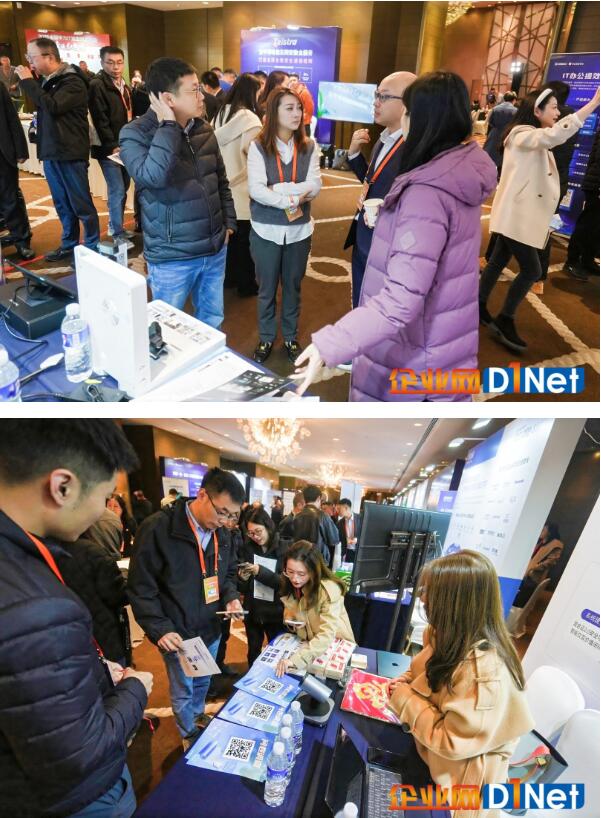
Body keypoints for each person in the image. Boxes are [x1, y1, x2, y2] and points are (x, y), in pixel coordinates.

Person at [295, 72, 497, 402]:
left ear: (422, 118)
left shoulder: (427, 191)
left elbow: (401, 299)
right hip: (443, 339)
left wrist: (332, 343)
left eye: (406, 110)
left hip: (414, 354)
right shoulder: (458, 171)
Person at [0, 420, 152, 818]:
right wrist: (135, 688)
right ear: (63, 487)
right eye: (106, 497)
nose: (105, 510)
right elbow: (80, 751)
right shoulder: (37, 608)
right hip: (73, 799)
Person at [387, 551, 534, 817]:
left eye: (429, 592)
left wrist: (405, 698)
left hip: (457, 792)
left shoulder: (484, 673)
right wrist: (406, 683)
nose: (423, 598)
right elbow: (422, 671)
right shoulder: (445, 634)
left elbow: (450, 741)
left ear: (453, 602)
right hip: (429, 759)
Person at [128, 468, 245, 749]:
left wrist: (230, 597)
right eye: (222, 512)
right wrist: (159, 629)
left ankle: (198, 715)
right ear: (202, 495)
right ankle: (188, 733)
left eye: (232, 516)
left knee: (204, 680)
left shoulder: (222, 534)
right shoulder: (158, 529)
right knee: (183, 688)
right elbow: (141, 588)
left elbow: (228, 573)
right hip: (178, 633)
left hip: (211, 627)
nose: (226, 521)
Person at [479, 86, 600, 352]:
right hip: (518, 217)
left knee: (497, 261)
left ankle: (479, 305)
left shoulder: (529, 136)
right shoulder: (523, 134)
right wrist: (593, 104)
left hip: (518, 216)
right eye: (554, 107)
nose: (558, 112)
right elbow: (555, 135)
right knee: (532, 271)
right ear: (537, 110)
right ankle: (505, 319)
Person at [120, 57, 236, 329]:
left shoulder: (203, 128)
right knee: (166, 328)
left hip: (214, 247)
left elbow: (220, 181)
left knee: (212, 321)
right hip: (172, 255)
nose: (202, 96)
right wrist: (169, 126)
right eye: (194, 90)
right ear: (168, 99)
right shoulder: (134, 134)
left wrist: (229, 224)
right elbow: (153, 177)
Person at [247, 86, 322, 363]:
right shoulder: (258, 146)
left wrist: (278, 189)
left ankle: (290, 336)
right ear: (273, 112)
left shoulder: (309, 146)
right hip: (265, 230)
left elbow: (315, 185)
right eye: (289, 108)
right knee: (266, 289)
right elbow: (256, 190)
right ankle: (267, 337)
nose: (297, 113)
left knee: (293, 287)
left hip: (299, 231)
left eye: (299, 108)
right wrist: (293, 197)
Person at [15, 37, 100, 262]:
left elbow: (52, 106)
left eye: (32, 57)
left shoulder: (73, 82)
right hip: (52, 152)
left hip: (70, 152)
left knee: (81, 203)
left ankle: (92, 247)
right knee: (62, 203)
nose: (29, 62)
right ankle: (69, 243)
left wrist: (27, 81)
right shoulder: (51, 80)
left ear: (49, 57)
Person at [344, 71, 416, 308]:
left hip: (384, 242)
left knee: (376, 305)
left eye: (384, 97)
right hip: (365, 233)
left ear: (408, 103)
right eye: (376, 95)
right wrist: (354, 155)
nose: (376, 102)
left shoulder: (413, 149)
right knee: (360, 298)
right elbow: (373, 182)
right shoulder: (385, 138)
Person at [212, 72, 262, 296]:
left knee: (229, 238)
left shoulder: (221, 113)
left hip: (221, 186)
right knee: (245, 241)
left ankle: (230, 278)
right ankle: (246, 284)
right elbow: (255, 157)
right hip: (242, 187)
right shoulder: (250, 120)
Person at [275, 540, 355, 677]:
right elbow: (291, 611)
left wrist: (296, 660)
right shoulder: (289, 583)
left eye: (301, 574)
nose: (295, 579)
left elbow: (327, 634)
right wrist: (293, 621)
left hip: (334, 645)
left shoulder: (328, 589)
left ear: (314, 571)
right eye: (290, 572)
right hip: (309, 644)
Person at [56, 534, 132, 666]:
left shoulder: (32, 554)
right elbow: (118, 596)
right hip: (105, 638)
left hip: (66, 641)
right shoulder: (89, 551)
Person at [536, 80, 579, 293]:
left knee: (541, 228)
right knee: (542, 227)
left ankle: (537, 276)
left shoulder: (556, 120)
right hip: (557, 180)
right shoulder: (570, 118)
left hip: (546, 180)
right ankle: (538, 276)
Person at [88, 46, 133, 241]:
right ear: (102, 63)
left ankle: (116, 226)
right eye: (110, 62)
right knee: (117, 190)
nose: (116, 67)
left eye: (119, 62)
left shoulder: (124, 85)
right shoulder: (97, 85)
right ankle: (117, 231)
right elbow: (100, 119)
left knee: (124, 186)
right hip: (109, 148)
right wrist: (112, 144)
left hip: (125, 145)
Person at [237, 507, 287, 665]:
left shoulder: (284, 548)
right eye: (251, 533)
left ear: (268, 526)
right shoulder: (247, 548)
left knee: (277, 653)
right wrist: (242, 579)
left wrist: (260, 572)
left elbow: (284, 584)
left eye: (258, 531)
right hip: (253, 611)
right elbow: (242, 588)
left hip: (276, 612)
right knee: (253, 651)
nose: (256, 537)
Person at [0, 80, 34, 259]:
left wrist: (21, 150)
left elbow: (11, 117)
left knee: (10, 200)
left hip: (2, 155)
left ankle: (21, 241)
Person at [566, 130, 599, 281]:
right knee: (587, 225)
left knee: (595, 228)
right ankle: (573, 260)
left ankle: (587, 260)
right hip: (596, 185)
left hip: (595, 183)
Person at [512, 522, 564, 609]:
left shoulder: (556, 544)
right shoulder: (540, 542)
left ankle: (516, 611)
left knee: (521, 599)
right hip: (526, 572)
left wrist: (535, 568)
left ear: (549, 532)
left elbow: (551, 561)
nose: (540, 531)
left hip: (534, 577)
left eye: (543, 530)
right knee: (515, 594)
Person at [292, 484, 339, 567]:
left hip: (300, 558)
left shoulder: (297, 516)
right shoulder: (322, 516)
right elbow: (334, 540)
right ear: (318, 498)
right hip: (318, 560)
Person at [483, 91, 517, 172]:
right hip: (507, 136)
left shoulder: (495, 108)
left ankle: (487, 174)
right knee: (503, 158)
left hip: (494, 134)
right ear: (514, 100)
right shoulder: (516, 111)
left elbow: (490, 122)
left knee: (490, 156)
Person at [337, 498, 362, 563]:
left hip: (359, 552)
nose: (337, 511)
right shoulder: (339, 523)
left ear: (346, 508)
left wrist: (357, 540)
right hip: (347, 552)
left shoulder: (361, 519)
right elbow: (339, 539)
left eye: (339, 509)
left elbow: (366, 535)